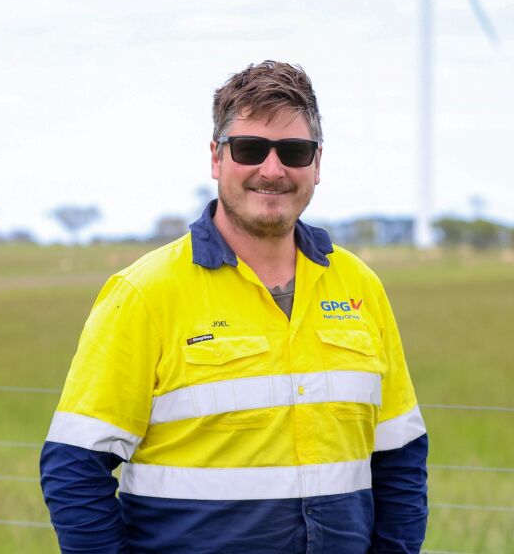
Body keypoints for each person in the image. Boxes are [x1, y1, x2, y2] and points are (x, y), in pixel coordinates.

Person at [40, 61, 428, 553]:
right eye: (249, 149)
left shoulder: (360, 286)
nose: (272, 170)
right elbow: (75, 468)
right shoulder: (145, 293)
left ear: (317, 163)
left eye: (294, 151)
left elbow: (401, 458)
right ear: (216, 158)